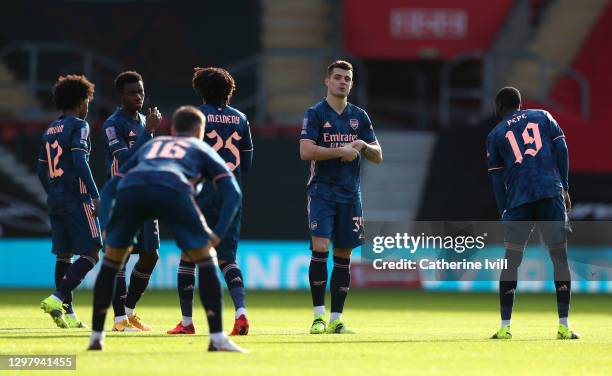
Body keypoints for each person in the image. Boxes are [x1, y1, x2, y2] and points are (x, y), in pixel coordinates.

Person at [88, 106, 246, 352]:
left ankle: (96, 337)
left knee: (111, 262)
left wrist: (107, 226)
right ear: (199, 131)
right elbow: (233, 192)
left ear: (172, 130)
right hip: (172, 187)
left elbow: (109, 188)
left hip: (132, 190)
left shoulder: (153, 144)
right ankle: (217, 338)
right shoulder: (200, 147)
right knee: (206, 260)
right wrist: (218, 233)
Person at [486, 86, 579, 340]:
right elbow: (562, 150)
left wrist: (504, 209)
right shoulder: (543, 116)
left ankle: (505, 327)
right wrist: (565, 187)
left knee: (511, 262)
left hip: (519, 200)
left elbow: (496, 180)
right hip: (549, 192)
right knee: (559, 257)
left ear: (499, 107)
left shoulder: (495, 134)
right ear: (520, 103)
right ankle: (564, 326)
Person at [167, 67, 253, 336]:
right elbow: (247, 163)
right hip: (230, 193)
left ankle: (187, 321)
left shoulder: (195, 117)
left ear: (201, 90)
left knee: (188, 257)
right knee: (228, 258)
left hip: (200, 195)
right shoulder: (241, 119)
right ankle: (240, 314)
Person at [299, 60, 382, 334]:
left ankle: (336, 319)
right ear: (327, 81)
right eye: (337, 77)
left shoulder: (360, 116)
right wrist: (341, 151)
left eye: (347, 78)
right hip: (322, 191)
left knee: (344, 254)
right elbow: (306, 151)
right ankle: (318, 316)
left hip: (350, 194)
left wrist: (362, 145)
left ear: (351, 83)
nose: (342, 82)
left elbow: (378, 156)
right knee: (321, 246)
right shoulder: (315, 113)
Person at [38, 74, 101, 329]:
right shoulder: (79, 126)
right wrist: (95, 194)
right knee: (92, 251)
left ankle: (69, 315)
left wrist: (51, 193)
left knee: (64, 256)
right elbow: (79, 161)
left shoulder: (49, 129)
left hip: (56, 199)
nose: (88, 107)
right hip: (77, 197)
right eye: (87, 101)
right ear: (80, 101)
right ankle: (57, 298)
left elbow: (41, 170)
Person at [101, 71, 162, 332]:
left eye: (141, 90)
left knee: (151, 255)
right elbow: (126, 159)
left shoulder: (143, 121)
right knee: (120, 258)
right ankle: (118, 320)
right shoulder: (112, 124)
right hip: (122, 199)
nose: (138, 96)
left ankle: (128, 311)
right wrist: (148, 132)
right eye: (132, 92)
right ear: (121, 96)